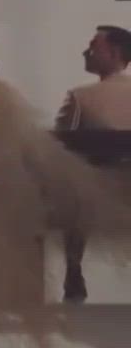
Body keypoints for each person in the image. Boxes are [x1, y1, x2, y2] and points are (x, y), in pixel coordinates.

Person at [54, 24, 131, 303]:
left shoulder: (81, 97)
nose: (86, 52)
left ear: (114, 53)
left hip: (94, 194)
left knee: (72, 182)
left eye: (93, 46)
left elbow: (59, 144)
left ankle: (73, 267)